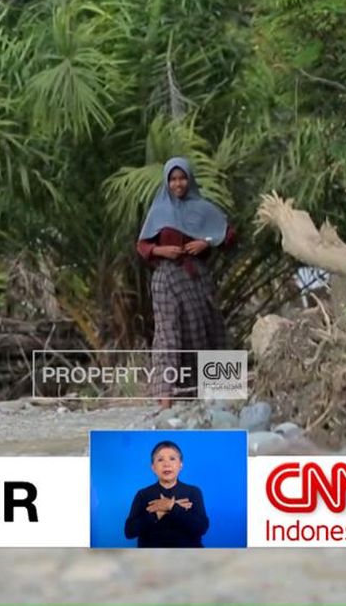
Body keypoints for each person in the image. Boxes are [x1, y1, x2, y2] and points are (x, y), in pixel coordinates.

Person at [136, 157, 235, 408]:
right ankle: (165, 401)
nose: (178, 184)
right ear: (167, 182)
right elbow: (143, 245)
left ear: (189, 180)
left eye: (182, 178)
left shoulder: (203, 208)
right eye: (173, 179)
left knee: (210, 329)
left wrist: (206, 242)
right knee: (168, 336)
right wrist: (161, 251)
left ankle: (221, 400)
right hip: (167, 279)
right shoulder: (159, 211)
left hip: (197, 279)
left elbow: (228, 235)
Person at [124, 440, 209, 548]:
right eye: (160, 460)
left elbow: (202, 528)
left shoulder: (193, 492)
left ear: (181, 465)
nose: (166, 464)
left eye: (172, 459)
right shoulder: (143, 495)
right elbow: (129, 532)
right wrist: (159, 512)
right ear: (153, 467)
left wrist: (172, 506)